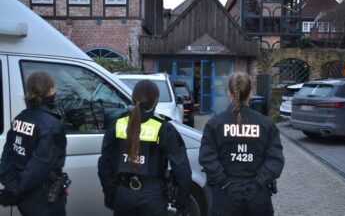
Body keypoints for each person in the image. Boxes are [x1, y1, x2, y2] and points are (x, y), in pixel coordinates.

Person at [98, 79, 192, 216]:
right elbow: (182, 170)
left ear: (133, 98)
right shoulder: (164, 128)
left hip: (123, 195)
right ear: (155, 101)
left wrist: (112, 194)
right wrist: (183, 204)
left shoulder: (117, 124)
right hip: (153, 196)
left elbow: (104, 165)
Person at [199, 72, 285, 216]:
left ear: (228, 93)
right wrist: (256, 184)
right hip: (258, 197)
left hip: (225, 196)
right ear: (251, 94)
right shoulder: (266, 124)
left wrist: (226, 183)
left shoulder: (215, 123)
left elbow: (207, 159)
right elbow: (275, 161)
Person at [0, 71, 68, 215]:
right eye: (53, 88)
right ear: (50, 91)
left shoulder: (20, 118)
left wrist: (13, 187)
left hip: (24, 195)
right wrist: (17, 189)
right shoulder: (51, 125)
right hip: (41, 195)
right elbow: (41, 164)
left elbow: (7, 156)